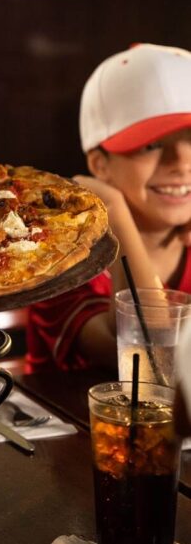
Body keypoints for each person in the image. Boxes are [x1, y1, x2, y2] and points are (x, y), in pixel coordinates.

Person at [26, 43, 191, 373]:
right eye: (152, 145)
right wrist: (112, 210)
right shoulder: (60, 261)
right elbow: (154, 359)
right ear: (99, 166)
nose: (181, 162)